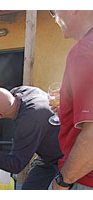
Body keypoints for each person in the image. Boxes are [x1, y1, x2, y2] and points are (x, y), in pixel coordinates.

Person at [0, 86, 63, 189]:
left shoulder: (28, 122)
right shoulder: (22, 91)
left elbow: (15, 165)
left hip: (66, 158)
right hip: (47, 155)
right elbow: (2, 99)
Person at [47, 10, 93, 190]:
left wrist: (62, 182)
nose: (54, 18)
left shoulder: (84, 52)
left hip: (85, 178)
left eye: (53, 10)